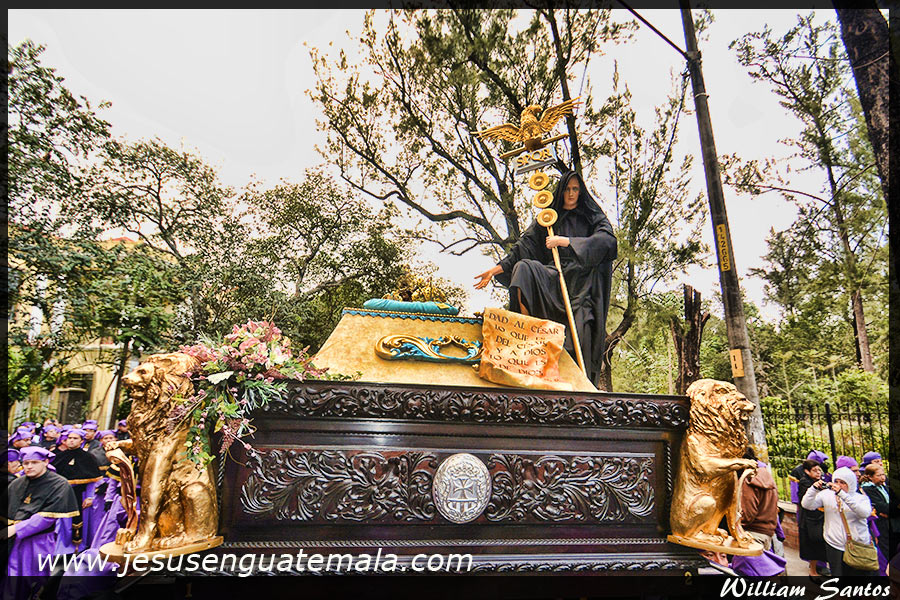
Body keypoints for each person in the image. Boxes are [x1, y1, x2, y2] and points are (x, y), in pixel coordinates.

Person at [473, 170, 617, 386]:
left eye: (575, 189)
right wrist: (495, 270)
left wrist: (566, 241)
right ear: (560, 191)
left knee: (579, 336)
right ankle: (527, 332)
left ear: (581, 191)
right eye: (567, 189)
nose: (571, 194)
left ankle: (580, 384)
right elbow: (522, 247)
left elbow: (607, 242)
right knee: (523, 268)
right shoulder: (548, 218)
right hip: (554, 276)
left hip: (581, 284)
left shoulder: (591, 216)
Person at [3, 446, 79, 600]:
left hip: (38, 541)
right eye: (26, 463)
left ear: (45, 462)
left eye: (34, 462)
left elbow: (46, 518)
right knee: (10, 578)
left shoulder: (59, 484)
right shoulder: (17, 483)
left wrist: (15, 529)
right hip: (11, 539)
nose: (29, 467)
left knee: (32, 579)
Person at [802, 465, 876, 576]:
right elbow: (807, 505)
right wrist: (813, 489)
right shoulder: (827, 495)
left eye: (843, 482)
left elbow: (864, 513)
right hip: (834, 545)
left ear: (850, 484)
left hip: (857, 545)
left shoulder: (860, 498)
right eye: (836, 481)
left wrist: (843, 495)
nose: (838, 485)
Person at [740, 447, 780, 551]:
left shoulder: (748, 479)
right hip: (767, 533)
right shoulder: (765, 474)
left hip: (752, 534)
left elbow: (747, 515)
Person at [796, 458, 829, 577]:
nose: (818, 472)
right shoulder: (805, 482)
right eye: (814, 470)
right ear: (807, 471)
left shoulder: (819, 481)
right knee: (812, 546)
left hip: (818, 517)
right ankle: (813, 571)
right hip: (809, 519)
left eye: (819, 470)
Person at [861, 463, 893, 559]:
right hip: (880, 523)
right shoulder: (868, 489)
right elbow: (880, 506)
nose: (882, 478)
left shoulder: (884, 487)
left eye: (883, 475)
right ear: (870, 477)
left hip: (889, 520)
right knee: (885, 548)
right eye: (878, 475)